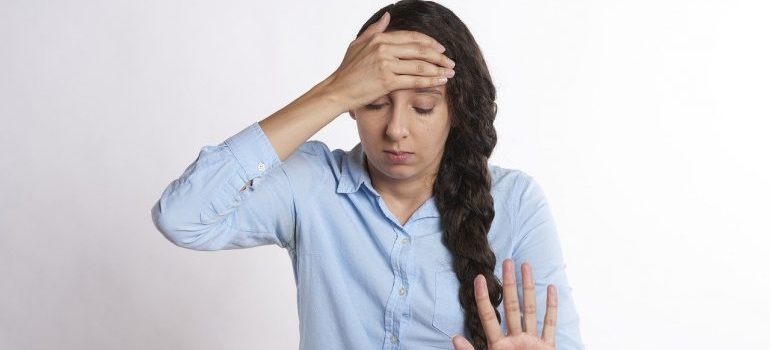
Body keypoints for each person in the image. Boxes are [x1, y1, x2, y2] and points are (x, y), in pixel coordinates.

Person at [150, 1, 584, 349]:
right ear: (352, 106)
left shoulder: (516, 202)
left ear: (457, 112)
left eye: (423, 107)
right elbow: (182, 217)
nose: (396, 129)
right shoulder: (313, 184)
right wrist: (334, 90)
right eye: (375, 103)